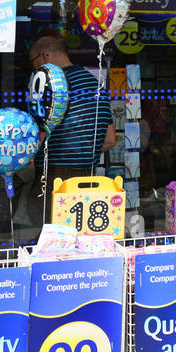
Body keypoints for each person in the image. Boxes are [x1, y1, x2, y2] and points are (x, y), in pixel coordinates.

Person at [28, 36, 117, 224]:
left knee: (46, 227)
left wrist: (26, 155)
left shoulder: (49, 85)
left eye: (33, 63)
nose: (34, 70)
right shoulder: (94, 85)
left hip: (53, 175)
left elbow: (41, 132)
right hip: (89, 175)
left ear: (44, 57)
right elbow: (110, 140)